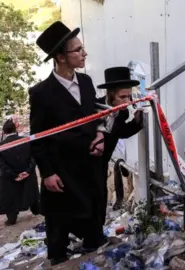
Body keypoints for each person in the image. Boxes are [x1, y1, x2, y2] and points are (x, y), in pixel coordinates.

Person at [29, 21, 105, 265]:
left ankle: (93, 249)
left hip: (88, 163)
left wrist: (100, 134)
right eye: (77, 50)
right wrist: (47, 173)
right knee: (59, 220)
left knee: (92, 214)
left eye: (82, 49)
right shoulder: (41, 93)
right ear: (60, 57)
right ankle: (60, 259)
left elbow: (96, 115)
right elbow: (37, 138)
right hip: (61, 169)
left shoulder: (86, 82)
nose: (84, 54)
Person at [96, 66, 143, 225]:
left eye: (129, 97)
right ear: (110, 95)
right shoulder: (95, 110)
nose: (127, 102)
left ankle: (96, 237)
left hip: (101, 165)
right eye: (122, 97)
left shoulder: (122, 112)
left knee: (100, 201)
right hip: (83, 164)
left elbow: (120, 132)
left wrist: (136, 123)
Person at [0, 119, 40, 226]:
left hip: (11, 178)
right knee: (32, 191)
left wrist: (14, 175)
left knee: (10, 195)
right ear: (15, 129)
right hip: (28, 174)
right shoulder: (26, 140)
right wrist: (28, 171)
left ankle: (12, 218)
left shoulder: (1, 146)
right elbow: (33, 157)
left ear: (3, 132)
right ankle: (37, 209)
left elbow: (2, 165)